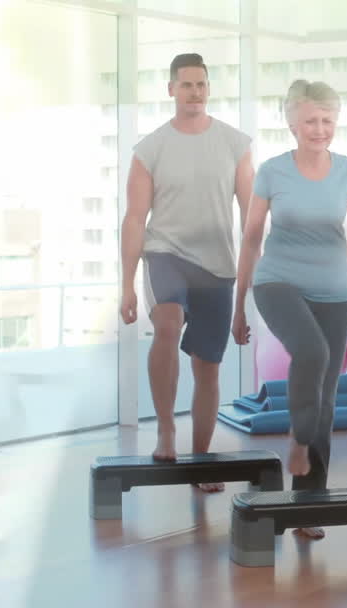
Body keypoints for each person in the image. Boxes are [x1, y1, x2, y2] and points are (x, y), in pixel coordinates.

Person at [234, 79, 347, 537]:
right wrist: (239, 305)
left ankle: (308, 504)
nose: (319, 129)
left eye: (327, 120)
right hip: (277, 282)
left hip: (335, 292)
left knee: (326, 397)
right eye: (310, 121)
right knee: (314, 352)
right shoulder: (272, 171)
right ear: (291, 123)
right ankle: (298, 443)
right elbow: (250, 239)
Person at [120, 53, 253, 492]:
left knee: (208, 369)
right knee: (167, 325)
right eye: (186, 85)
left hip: (216, 264)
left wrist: (255, 280)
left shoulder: (234, 144)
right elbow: (135, 219)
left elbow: (252, 212)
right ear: (171, 89)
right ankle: (164, 430)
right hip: (165, 254)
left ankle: (200, 459)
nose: (194, 92)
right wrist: (126, 285)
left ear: (208, 89)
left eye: (201, 84)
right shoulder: (150, 149)